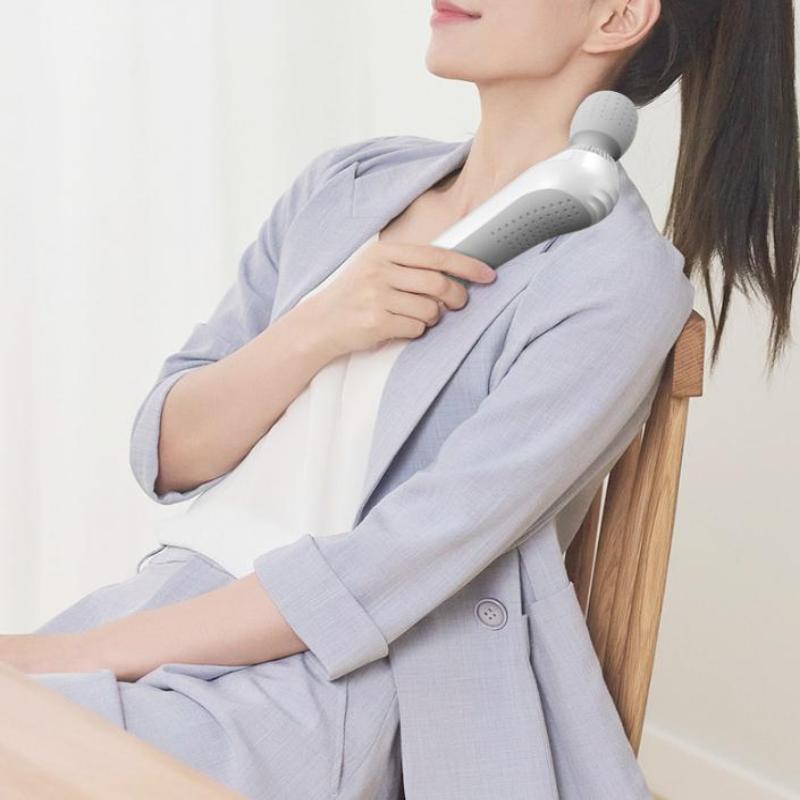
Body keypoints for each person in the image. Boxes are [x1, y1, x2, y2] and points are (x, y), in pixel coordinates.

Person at [2, 1, 797, 798]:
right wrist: (316, 327)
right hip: (166, 619)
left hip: (327, 687)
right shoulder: (346, 187)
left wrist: (74, 655)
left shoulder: (612, 278)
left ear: (618, 16)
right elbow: (169, 453)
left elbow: (391, 566)